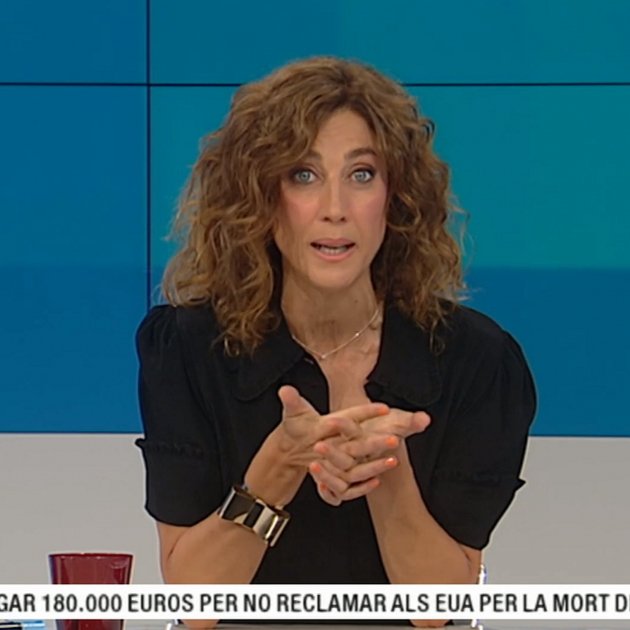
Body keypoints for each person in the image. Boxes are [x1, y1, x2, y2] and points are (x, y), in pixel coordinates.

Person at [135, 56, 536, 627]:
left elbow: (440, 610)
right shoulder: (190, 349)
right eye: (303, 175)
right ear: (261, 197)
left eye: (362, 174)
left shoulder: (474, 360)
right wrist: (280, 462)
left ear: (395, 198)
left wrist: (384, 468)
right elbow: (194, 605)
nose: (335, 210)